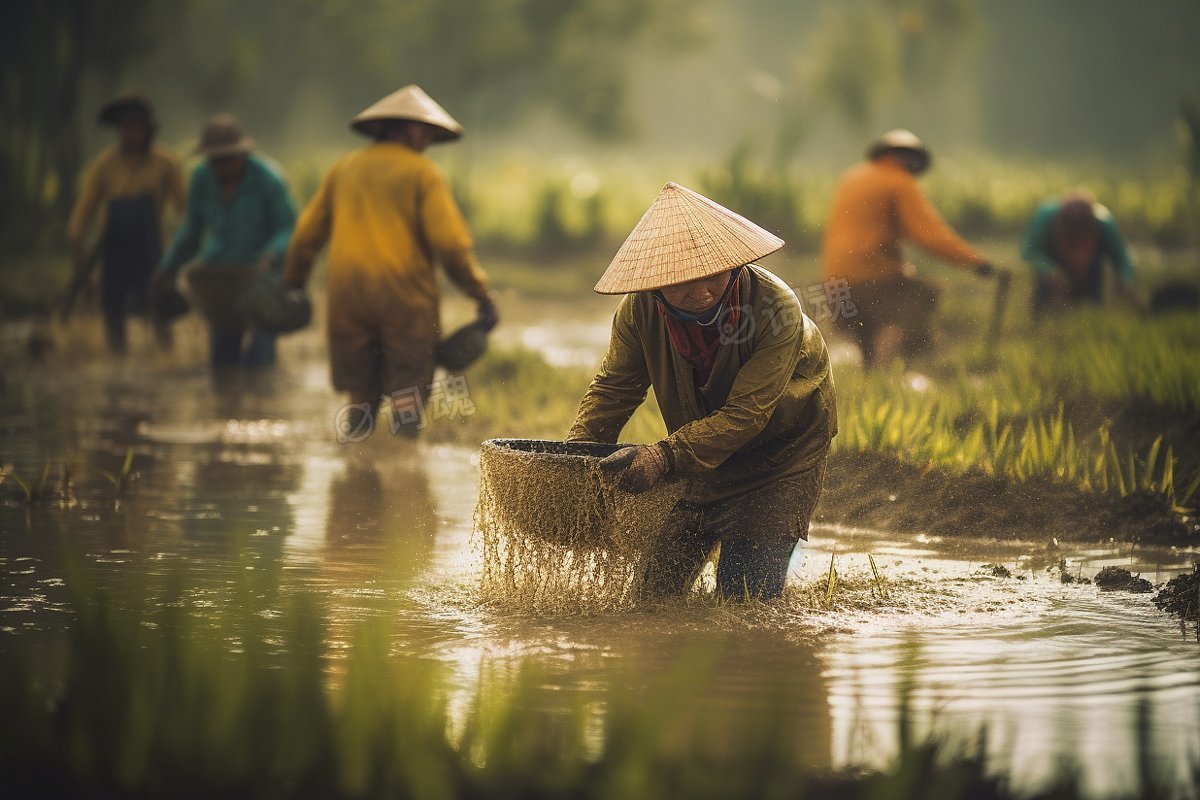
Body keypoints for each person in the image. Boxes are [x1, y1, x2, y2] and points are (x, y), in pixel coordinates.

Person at [567, 182, 837, 601]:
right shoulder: (639, 313)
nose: (703, 291)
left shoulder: (775, 309)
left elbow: (748, 415)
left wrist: (663, 456)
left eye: (714, 274)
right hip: (704, 451)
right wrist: (577, 460)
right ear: (656, 284)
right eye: (682, 283)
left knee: (745, 600)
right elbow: (613, 391)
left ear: (733, 262)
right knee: (652, 594)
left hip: (781, 455)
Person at [284, 85, 498, 439]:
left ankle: (355, 473)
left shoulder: (344, 168)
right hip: (405, 300)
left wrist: (293, 282)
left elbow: (307, 235)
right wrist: (480, 293)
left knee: (359, 394)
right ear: (411, 129)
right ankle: (404, 476)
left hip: (346, 297)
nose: (428, 139)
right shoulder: (421, 173)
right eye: (426, 131)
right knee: (407, 393)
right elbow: (450, 244)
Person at [820, 129, 996, 368]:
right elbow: (929, 234)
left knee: (866, 326)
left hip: (833, 281)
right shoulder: (898, 181)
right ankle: (885, 374)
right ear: (907, 159)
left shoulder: (852, 177)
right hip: (872, 276)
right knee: (912, 301)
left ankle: (869, 377)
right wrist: (974, 261)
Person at [155, 115, 297, 389]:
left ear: (243, 153)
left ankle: (260, 413)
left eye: (228, 159)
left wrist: (272, 252)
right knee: (222, 358)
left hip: (261, 276)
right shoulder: (201, 178)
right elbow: (191, 230)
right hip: (220, 276)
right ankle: (226, 411)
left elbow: (288, 227)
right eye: (215, 161)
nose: (222, 167)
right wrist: (167, 267)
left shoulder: (269, 180)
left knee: (260, 359)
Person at [67, 93, 186, 354]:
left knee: (160, 314)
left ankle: (165, 361)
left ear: (149, 129)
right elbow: (82, 215)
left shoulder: (166, 163)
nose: (131, 134)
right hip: (114, 252)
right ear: (119, 130)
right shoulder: (105, 166)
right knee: (113, 311)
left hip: (154, 253)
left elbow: (185, 211)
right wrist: (78, 250)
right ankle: (117, 362)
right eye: (126, 127)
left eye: (137, 127)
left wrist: (182, 254)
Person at [1022, 189, 1141, 318]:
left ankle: (1092, 320)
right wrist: (1050, 270)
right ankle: (1039, 319)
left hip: (1091, 270)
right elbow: (1029, 253)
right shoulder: (1046, 217)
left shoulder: (1104, 223)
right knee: (1044, 295)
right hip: (1054, 262)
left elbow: (1122, 257)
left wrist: (1125, 279)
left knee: (1093, 312)